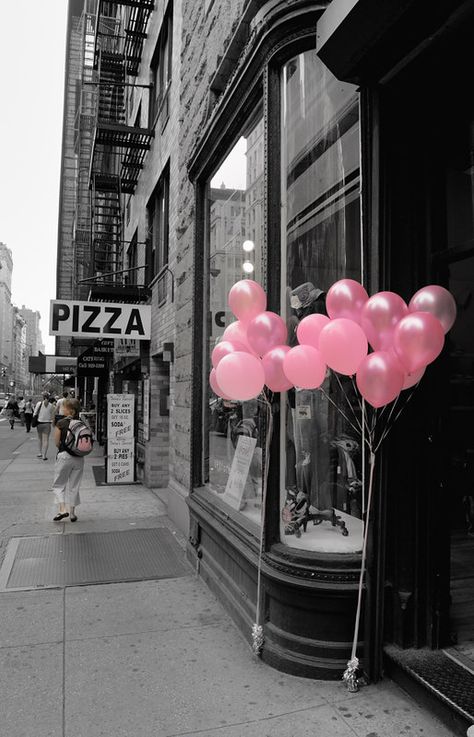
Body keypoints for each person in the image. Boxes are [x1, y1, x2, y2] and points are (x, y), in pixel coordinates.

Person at [51, 398, 84, 522]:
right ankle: (73, 514)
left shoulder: (61, 423)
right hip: (79, 458)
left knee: (59, 484)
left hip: (64, 456)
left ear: (71, 410)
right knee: (74, 486)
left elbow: (56, 443)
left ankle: (62, 509)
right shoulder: (81, 423)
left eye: (64, 407)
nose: (62, 409)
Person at [33, 393, 56, 460]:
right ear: (49, 398)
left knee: (40, 438)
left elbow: (35, 413)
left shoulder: (39, 404)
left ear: (43, 397)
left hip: (39, 423)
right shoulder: (51, 406)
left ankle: (39, 453)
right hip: (47, 424)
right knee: (46, 440)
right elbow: (52, 416)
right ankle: (44, 456)